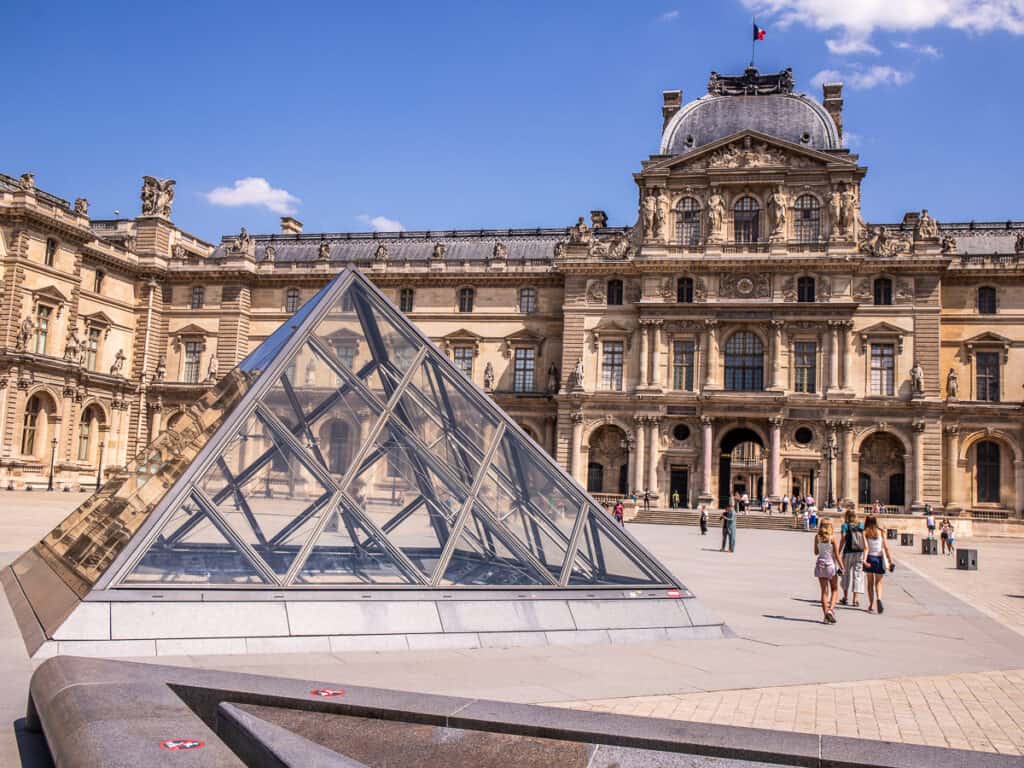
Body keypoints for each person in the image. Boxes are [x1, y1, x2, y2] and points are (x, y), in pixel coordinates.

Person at [863, 514, 895, 614]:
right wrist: (890, 561)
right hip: (879, 559)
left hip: (869, 558)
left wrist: (864, 560)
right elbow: (886, 547)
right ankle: (879, 599)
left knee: (870, 583)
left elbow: (866, 548)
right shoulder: (881, 532)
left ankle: (871, 605)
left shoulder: (865, 532)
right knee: (879, 583)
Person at [814, 520, 843, 624]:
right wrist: (842, 567)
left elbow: (816, 552)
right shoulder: (833, 538)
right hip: (831, 566)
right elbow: (837, 555)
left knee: (824, 592)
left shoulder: (817, 537)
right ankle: (830, 610)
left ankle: (825, 616)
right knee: (834, 589)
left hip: (820, 565)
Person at [838, 509, 866, 607]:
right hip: (859, 552)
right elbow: (863, 538)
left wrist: (838, 551)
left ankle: (845, 598)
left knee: (845, 574)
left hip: (848, 552)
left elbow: (843, 539)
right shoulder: (861, 525)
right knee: (858, 575)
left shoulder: (845, 525)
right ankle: (855, 600)